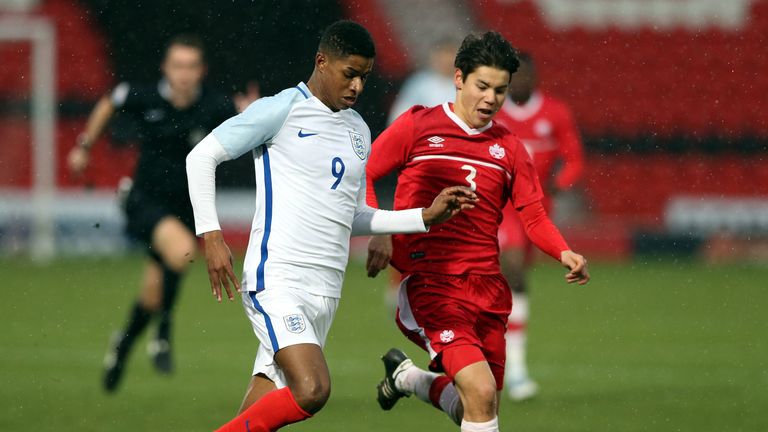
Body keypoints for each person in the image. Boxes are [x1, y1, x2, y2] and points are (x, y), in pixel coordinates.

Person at [185, 20, 477, 432]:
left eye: (365, 77)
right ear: (322, 62)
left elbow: (351, 215)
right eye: (350, 73)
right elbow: (200, 157)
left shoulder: (358, 130)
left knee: (261, 407)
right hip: (278, 278)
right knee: (313, 389)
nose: (358, 86)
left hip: (326, 289)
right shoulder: (282, 108)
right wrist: (211, 237)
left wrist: (422, 218)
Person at [365, 32, 590, 432]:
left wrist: (564, 253)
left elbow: (534, 216)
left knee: (477, 406)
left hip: (487, 288)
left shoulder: (509, 148)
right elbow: (363, 174)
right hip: (432, 284)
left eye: (499, 91)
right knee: (481, 392)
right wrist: (379, 229)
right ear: (459, 79)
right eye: (482, 86)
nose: (490, 98)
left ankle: (407, 378)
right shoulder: (418, 126)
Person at [67, 34, 257, 392]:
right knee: (182, 251)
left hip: (184, 209)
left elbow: (248, 121)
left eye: (190, 66)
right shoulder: (146, 97)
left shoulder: (214, 105)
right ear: (165, 68)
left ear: (201, 71)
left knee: (152, 293)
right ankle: (164, 333)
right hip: (143, 201)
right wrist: (85, 145)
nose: (183, 74)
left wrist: (252, 113)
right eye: (177, 66)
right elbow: (111, 100)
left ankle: (122, 345)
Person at [494, 52, 586, 401]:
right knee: (513, 272)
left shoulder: (555, 112)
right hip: (502, 207)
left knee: (511, 285)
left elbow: (575, 159)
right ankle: (515, 371)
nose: (520, 83)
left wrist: (560, 184)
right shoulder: (496, 113)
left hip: (536, 210)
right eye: (514, 77)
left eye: (525, 76)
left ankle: (500, 358)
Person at [387, 37, 459, 124]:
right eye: (443, 54)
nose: (446, 60)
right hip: (424, 133)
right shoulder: (420, 82)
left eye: (450, 54)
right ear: (434, 57)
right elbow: (400, 113)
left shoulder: (465, 83)